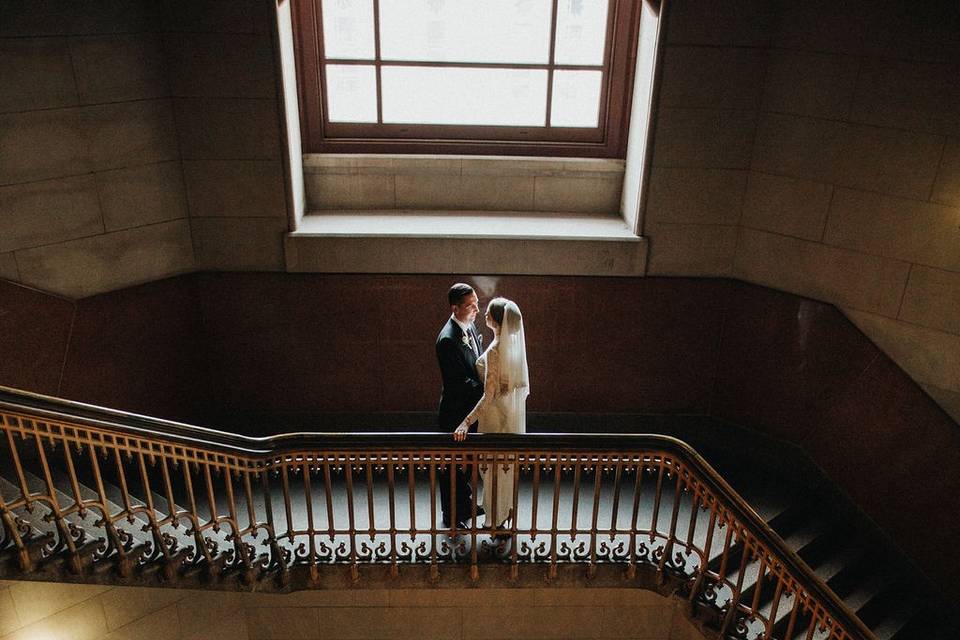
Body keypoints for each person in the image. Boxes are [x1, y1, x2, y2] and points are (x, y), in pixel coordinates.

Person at [454, 297, 529, 530]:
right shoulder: (510, 347)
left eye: (488, 313)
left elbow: (489, 396)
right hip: (507, 415)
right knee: (502, 469)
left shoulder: (496, 351)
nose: (483, 314)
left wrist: (466, 422)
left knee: (493, 471)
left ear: (496, 321)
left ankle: (496, 522)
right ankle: (502, 516)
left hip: (494, 417)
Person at [436, 283, 485, 528]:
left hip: (470, 409)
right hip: (456, 412)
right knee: (452, 466)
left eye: (476, 301)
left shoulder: (470, 325)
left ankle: (465, 505)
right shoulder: (447, 339)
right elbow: (458, 382)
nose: (477, 308)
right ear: (455, 308)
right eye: (470, 305)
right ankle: (451, 516)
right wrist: (489, 391)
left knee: (467, 463)